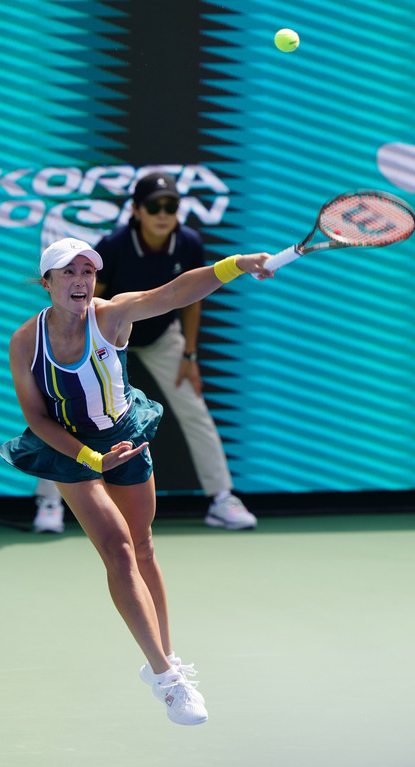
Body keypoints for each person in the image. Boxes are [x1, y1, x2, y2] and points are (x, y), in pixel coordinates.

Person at [0, 237, 272, 725]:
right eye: (68, 272)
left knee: (143, 545)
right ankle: (168, 678)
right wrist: (88, 458)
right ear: (47, 283)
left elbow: (174, 292)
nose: (81, 281)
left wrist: (235, 265)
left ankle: (167, 660)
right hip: (72, 448)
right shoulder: (26, 342)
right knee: (118, 548)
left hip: (125, 434)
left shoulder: (112, 316)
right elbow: (38, 419)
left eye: (88, 272)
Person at [93, 172, 258, 530]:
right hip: (109, 336)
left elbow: (190, 301)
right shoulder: (113, 245)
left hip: (161, 336)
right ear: (136, 211)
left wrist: (190, 354)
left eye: (171, 206)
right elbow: (94, 301)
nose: (163, 213)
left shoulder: (188, 242)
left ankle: (222, 498)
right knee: (78, 414)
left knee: (194, 409)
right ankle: (49, 502)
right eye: (154, 206)